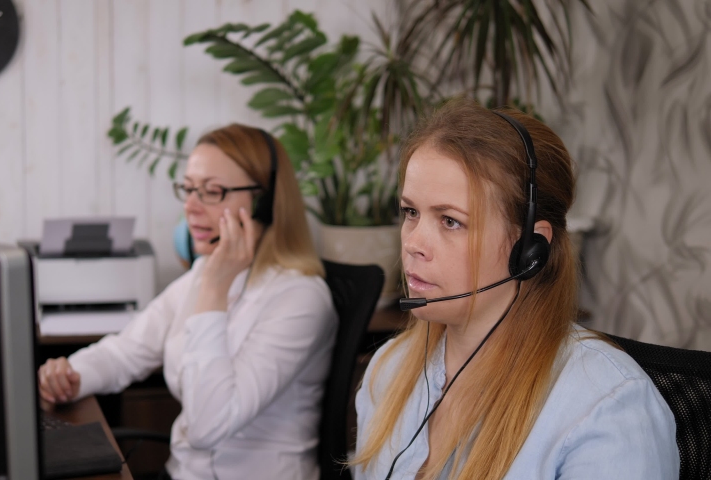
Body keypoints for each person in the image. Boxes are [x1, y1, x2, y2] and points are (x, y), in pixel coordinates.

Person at [351, 99, 678, 480]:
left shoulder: (607, 407)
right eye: (411, 212)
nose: (413, 243)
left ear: (529, 249)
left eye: (451, 221)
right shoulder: (388, 370)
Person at [39, 124, 337, 480]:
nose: (191, 208)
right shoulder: (204, 274)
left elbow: (207, 426)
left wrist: (213, 290)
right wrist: (70, 375)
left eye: (212, 192)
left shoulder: (300, 298)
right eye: (189, 188)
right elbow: (126, 351)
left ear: (265, 203)